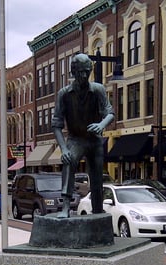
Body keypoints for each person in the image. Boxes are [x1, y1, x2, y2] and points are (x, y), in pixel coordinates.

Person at [52, 53, 114, 218]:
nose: (84, 75)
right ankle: (65, 206)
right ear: (73, 72)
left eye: (87, 71)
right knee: (69, 161)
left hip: (94, 140)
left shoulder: (98, 90)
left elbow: (110, 112)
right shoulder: (64, 94)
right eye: (80, 72)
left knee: (97, 176)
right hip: (76, 139)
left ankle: (98, 209)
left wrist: (101, 125)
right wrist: (64, 149)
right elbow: (56, 124)